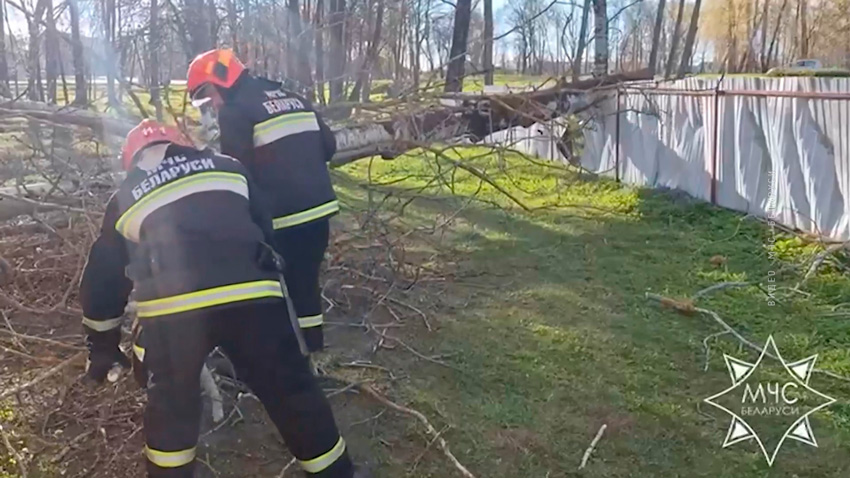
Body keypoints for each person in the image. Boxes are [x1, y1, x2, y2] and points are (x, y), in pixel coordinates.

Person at [79, 119, 357, 477]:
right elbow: (264, 228)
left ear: (132, 161)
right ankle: (337, 473)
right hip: (255, 294)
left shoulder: (126, 195)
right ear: (185, 144)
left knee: (172, 407)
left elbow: (105, 277)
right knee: (293, 391)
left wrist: (101, 345)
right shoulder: (229, 166)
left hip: (173, 311)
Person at [186, 49, 336, 354]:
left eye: (209, 95)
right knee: (305, 283)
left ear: (222, 81)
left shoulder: (235, 110)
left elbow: (238, 172)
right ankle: (312, 351)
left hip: (282, 218)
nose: (212, 105)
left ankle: (285, 356)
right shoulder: (291, 96)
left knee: (273, 287)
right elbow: (329, 147)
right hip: (320, 210)